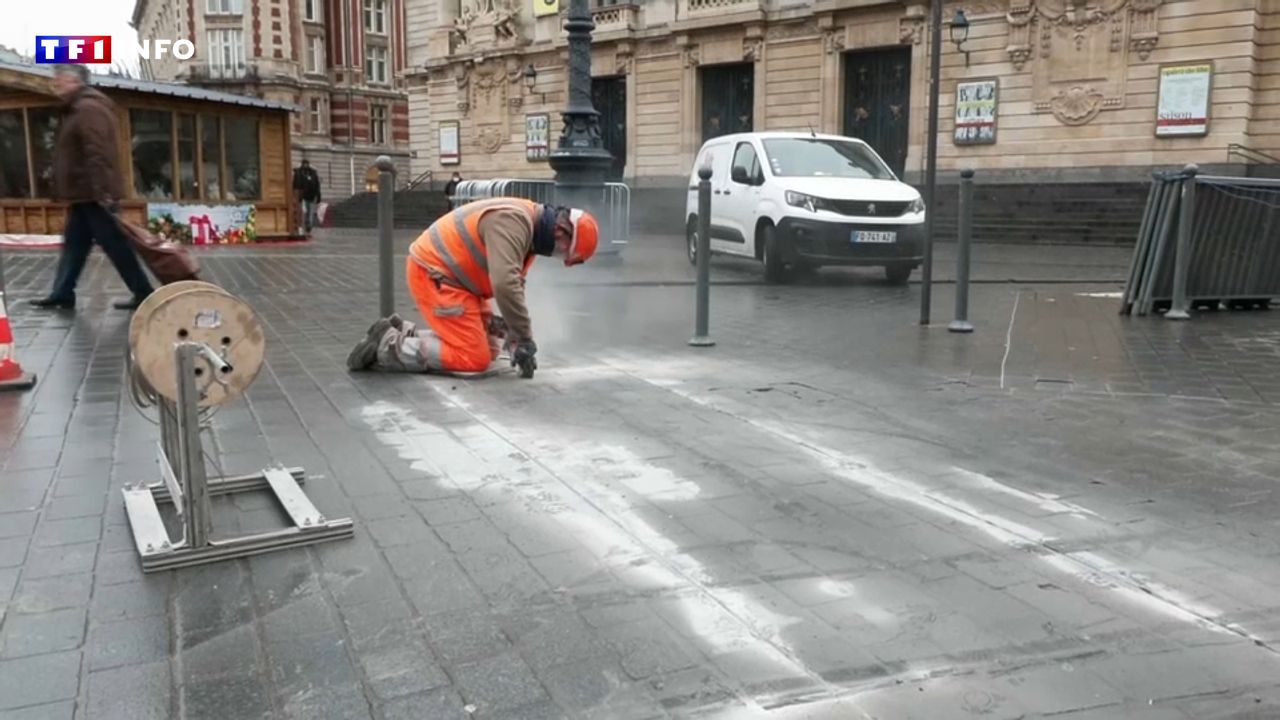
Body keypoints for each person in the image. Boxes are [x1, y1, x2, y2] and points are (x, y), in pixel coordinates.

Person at [346, 197, 600, 377]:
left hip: (458, 283)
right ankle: (389, 346)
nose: (558, 257)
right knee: (472, 358)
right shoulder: (512, 221)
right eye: (563, 254)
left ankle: (403, 335)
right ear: (561, 232)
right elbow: (505, 284)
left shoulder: (529, 231)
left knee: (489, 349)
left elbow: (514, 284)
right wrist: (524, 337)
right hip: (436, 277)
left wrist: (512, 332)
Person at [32, 64, 154, 311]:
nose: (55, 84)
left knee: (115, 244)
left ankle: (143, 292)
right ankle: (63, 292)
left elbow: (98, 152)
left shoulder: (88, 109)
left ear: (75, 81)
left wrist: (103, 192)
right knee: (74, 244)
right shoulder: (78, 109)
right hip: (84, 193)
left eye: (60, 80)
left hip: (94, 192)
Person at [292, 159, 322, 233]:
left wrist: (318, 196)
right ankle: (304, 225)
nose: (305, 165)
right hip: (301, 196)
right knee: (303, 211)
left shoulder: (312, 173)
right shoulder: (298, 172)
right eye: (304, 164)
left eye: (306, 164)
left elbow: (317, 185)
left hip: (310, 195)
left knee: (309, 211)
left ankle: (308, 225)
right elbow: (295, 184)